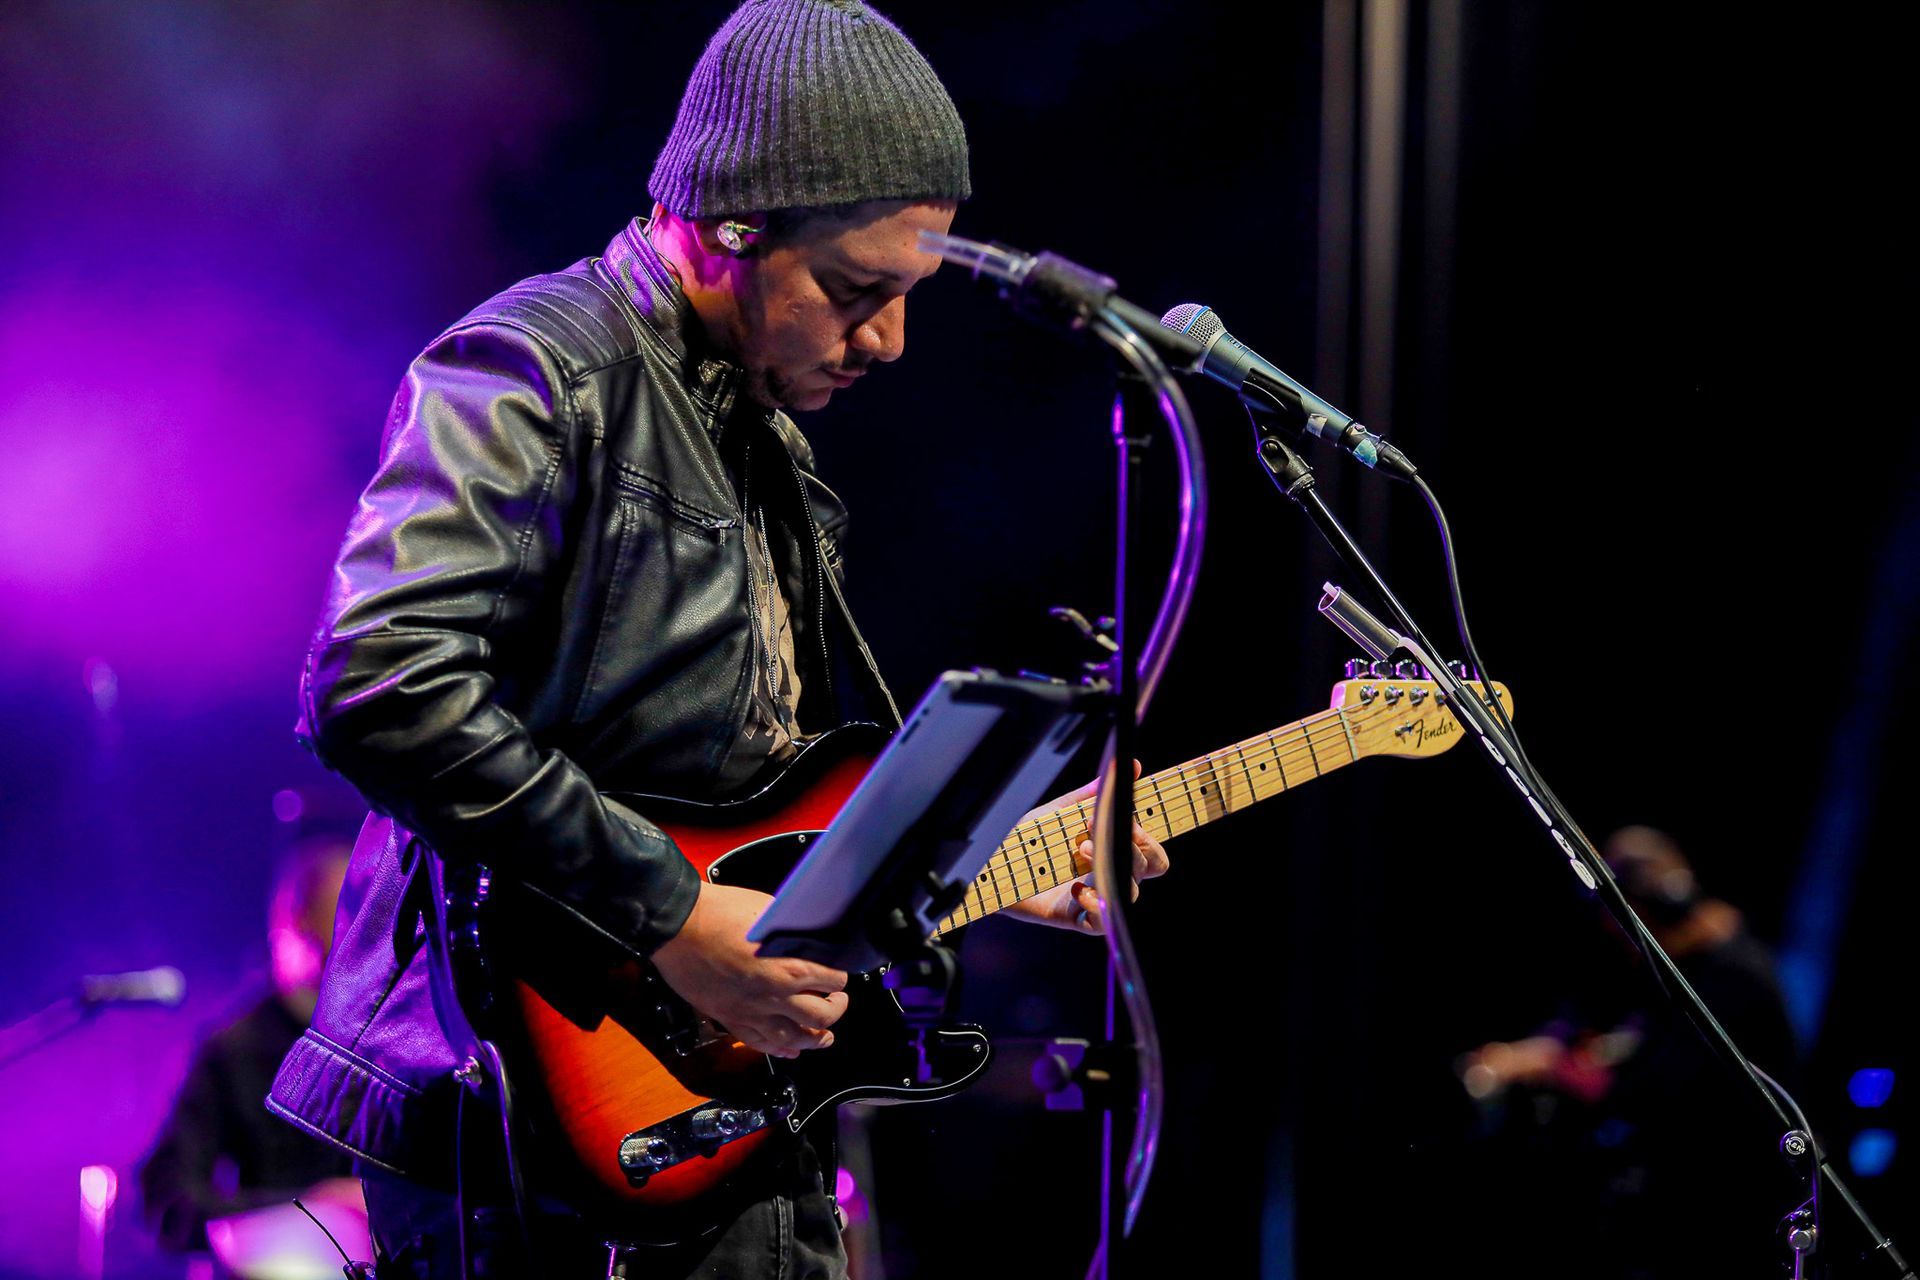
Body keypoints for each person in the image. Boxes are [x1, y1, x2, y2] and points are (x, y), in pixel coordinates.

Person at [266, 3, 1167, 1275]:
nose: (890, 340)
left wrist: (978, 863)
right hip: (530, 1132)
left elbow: (751, 804)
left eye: (908, 296)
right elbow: (378, 679)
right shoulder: (535, 366)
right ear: (729, 227)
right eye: (855, 291)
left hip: (720, 1120)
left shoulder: (756, 430)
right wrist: (674, 913)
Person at [141, 835, 359, 1256]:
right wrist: (309, 1212)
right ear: (292, 928)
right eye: (340, 924)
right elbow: (170, 1203)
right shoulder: (232, 1050)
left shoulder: (393, 1045)